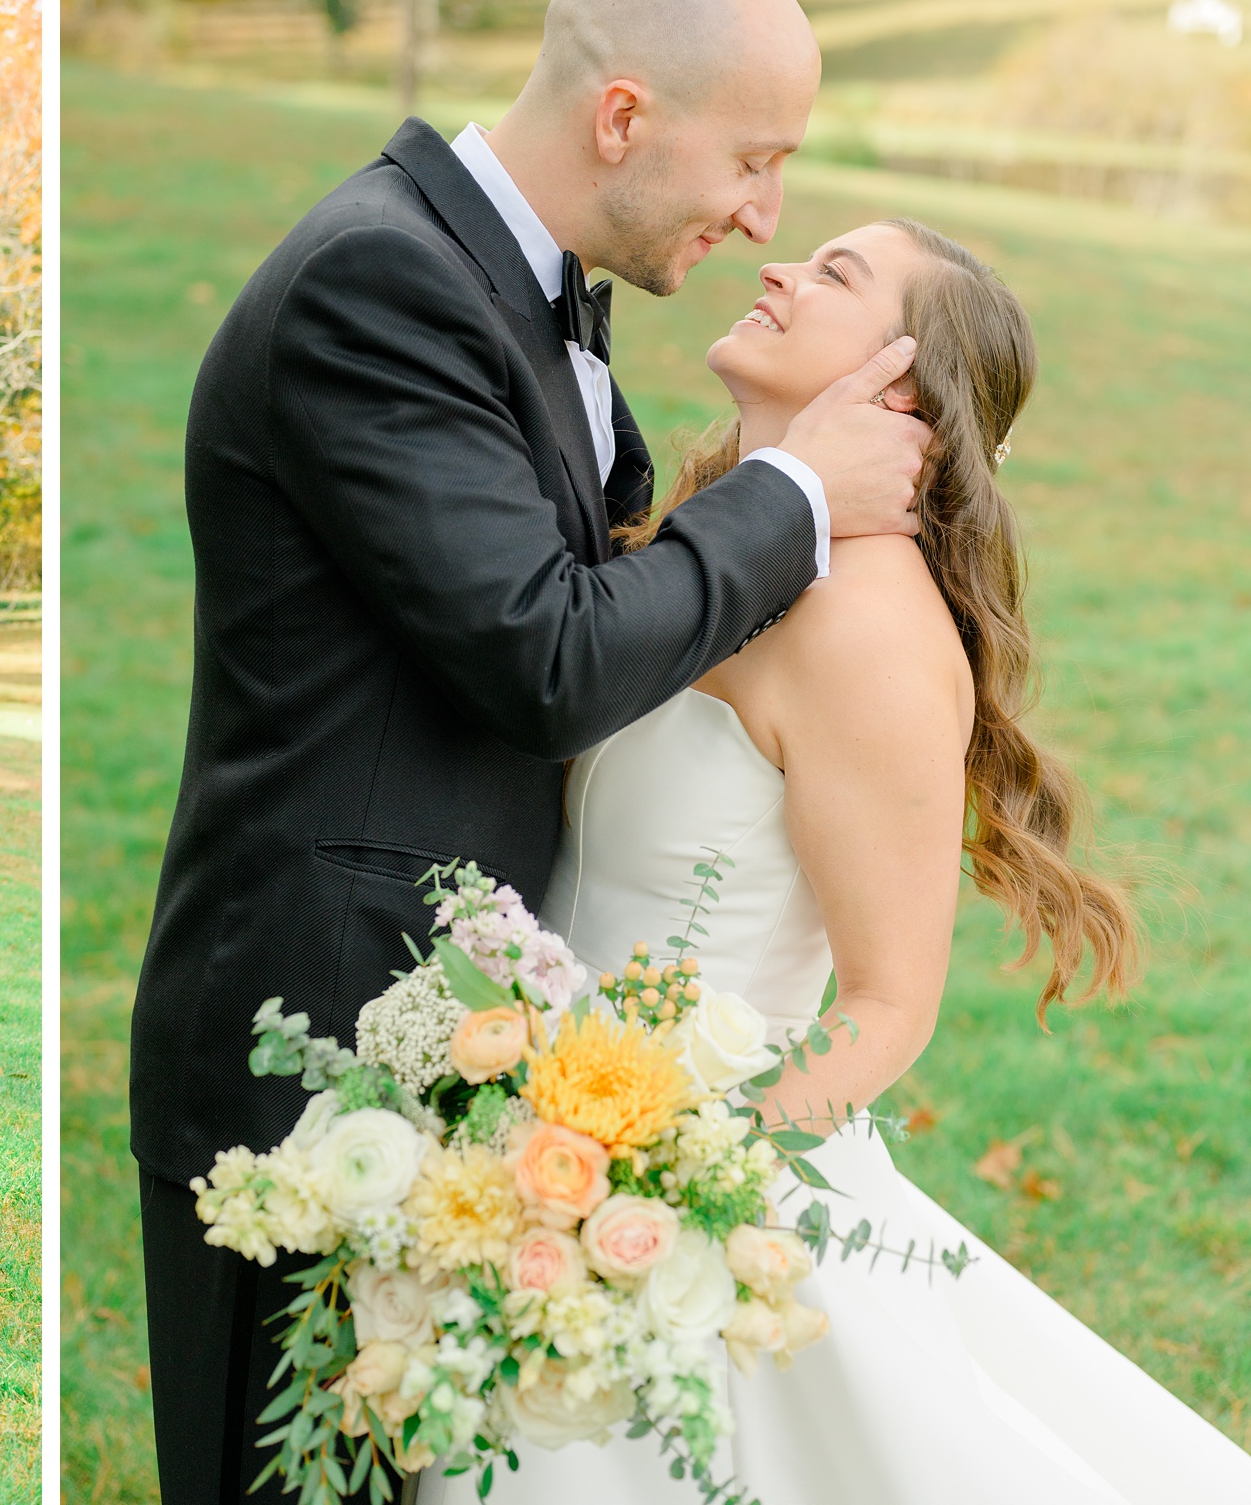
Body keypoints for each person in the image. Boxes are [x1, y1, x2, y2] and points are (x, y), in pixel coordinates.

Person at [129, 0, 936, 1501]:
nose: (765, 217)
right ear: (624, 120)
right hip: (303, 1066)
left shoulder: (535, 293)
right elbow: (544, 653)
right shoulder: (381, 280)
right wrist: (788, 493)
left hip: (462, 1077)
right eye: (754, 162)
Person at [418, 222, 1251, 1499]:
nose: (777, 272)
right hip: (534, 1148)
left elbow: (889, 1003)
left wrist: (664, 1188)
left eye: (834, 277)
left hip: (688, 1197)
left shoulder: (871, 630)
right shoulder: (706, 543)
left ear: (902, 391)